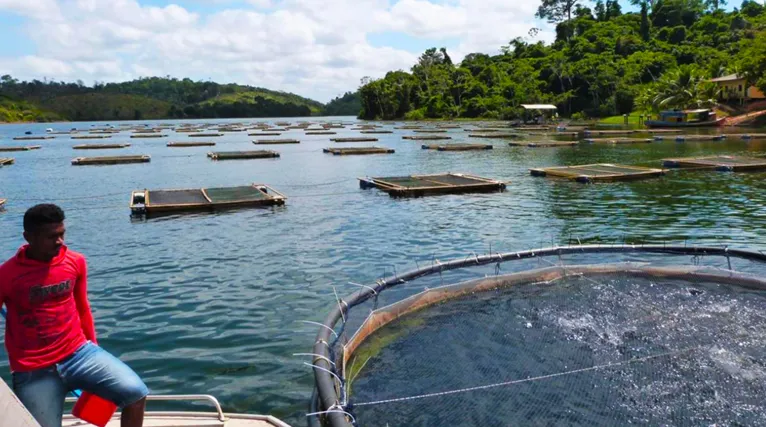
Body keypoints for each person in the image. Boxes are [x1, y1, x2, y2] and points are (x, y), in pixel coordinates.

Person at [0, 204, 148, 427]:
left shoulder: (75, 261)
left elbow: (83, 308)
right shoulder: (7, 274)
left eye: (62, 234)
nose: (59, 241)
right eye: (52, 237)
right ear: (28, 237)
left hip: (79, 354)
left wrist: (95, 348)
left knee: (136, 394)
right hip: (33, 368)